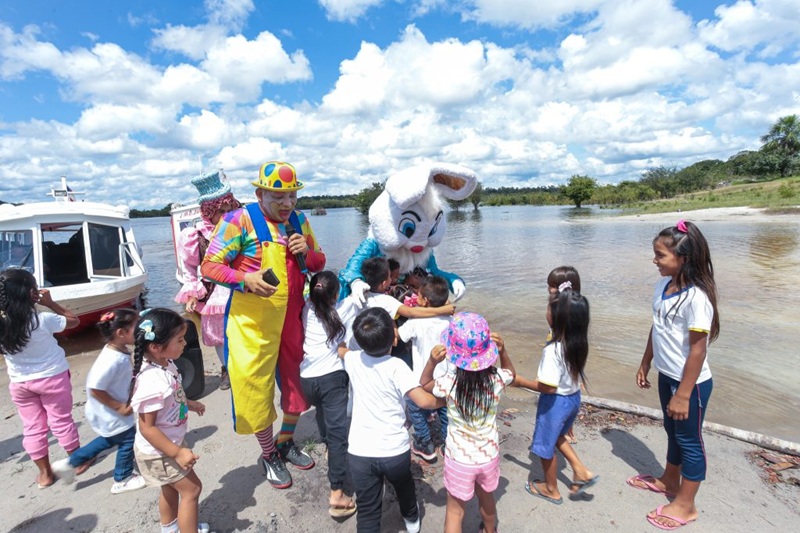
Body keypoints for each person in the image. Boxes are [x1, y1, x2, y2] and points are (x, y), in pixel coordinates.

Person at [201, 161, 325, 489]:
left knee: (297, 383)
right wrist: (245, 279)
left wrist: (307, 252)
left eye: (292, 196)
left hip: (293, 319)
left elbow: (319, 260)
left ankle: (285, 441)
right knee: (254, 389)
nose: (287, 204)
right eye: (278, 196)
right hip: (251, 323)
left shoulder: (300, 220)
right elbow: (209, 267)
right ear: (259, 194)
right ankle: (269, 454)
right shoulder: (237, 220)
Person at [630, 220, 719, 530]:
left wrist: (683, 394)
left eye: (660, 255)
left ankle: (686, 504)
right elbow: (658, 327)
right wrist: (645, 362)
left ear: (683, 258)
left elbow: (697, 350)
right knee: (672, 431)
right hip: (667, 375)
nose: (654, 260)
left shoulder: (697, 298)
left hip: (690, 385)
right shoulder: (663, 286)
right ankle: (670, 480)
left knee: (689, 440)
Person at [340, 307, 443, 533]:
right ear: (393, 339)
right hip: (394, 450)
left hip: (360, 451)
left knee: (367, 509)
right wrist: (446, 401)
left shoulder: (353, 359)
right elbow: (424, 401)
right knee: (404, 486)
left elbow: (341, 349)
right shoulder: (397, 366)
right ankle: (412, 521)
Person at [421, 312, 515, 533]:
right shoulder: (496, 379)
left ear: (452, 352)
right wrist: (503, 351)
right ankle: (490, 530)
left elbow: (424, 384)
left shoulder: (449, 383)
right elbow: (511, 373)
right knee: (487, 498)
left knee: (455, 511)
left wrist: (432, 362)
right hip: (488, 455)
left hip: (459, 458)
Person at [0, 268, 86, 489]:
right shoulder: (42, 320)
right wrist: (50, 303)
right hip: (52, 377)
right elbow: (73, 321)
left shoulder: (3, 326)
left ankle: (45, 474)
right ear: (32, 294)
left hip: (20, 383)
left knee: (32, 428)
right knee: (61, 420)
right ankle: (77, 462)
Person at [515, 286, 598, 505]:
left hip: (555, 403)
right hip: (573, 398)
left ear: (557, 318)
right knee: (559, 435)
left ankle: (551, 489)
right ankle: (581, 471)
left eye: (548, 309)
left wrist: (519, 381)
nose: (546, 312)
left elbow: (548, 387)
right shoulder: (578, 342)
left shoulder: (552, 351)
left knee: (545, 447)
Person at [128, 308, 209, 533]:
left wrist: (188, 403)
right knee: (192, 490)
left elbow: (171, 395)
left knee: (170, 488)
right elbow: (147, 428)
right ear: (155, 347)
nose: (185, 343)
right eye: (180, 340)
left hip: (168, 444)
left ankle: (170, 528)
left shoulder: (165, 363)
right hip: (160, 451)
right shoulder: (151, 381)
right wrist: (177, 453)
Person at [51, 309, 147, 494]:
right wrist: (119, 407)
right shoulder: (112, 360)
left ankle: (69, 463)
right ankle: (122, 478)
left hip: (108, 409)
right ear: (121, 332)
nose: (142, 329)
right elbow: (95, 387)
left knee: (108, 440)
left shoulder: (118, 349)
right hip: (110, 410)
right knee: (128, 439)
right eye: (138, 326)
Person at [174, 170, 241, 390]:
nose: (226, 214)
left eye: (229, 209)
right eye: (221, 211)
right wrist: (192, 294)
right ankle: (226, 368)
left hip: (240, 286)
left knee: (241, 330)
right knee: (219, 335)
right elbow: (189, 268)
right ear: (209, 212)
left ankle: (242, 366)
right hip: (215, 292)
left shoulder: (241, 228)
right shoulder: (196, 235)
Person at [300, 271, 359, 519]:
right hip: (331, 380)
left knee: (322, 412)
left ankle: (327, 446)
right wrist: (357, 284)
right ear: (336, 295)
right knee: (339, 437)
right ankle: (337, 494)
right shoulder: (345, 308)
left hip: (307, 379)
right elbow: (361, 291)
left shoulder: (306, 309)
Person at [398, 275, 453, 462]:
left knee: (415, 407)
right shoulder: (452, 321)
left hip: (423, 378)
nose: (416, 298)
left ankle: (424, 443)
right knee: (445, 408)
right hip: (447, 378)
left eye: (419, 296)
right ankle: (447, 443)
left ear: (426, 301)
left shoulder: (416, 322)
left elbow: (399, 336)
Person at [546, 266, 582, 444]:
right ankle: (566, 427)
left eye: (553, 286)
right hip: (559, 353)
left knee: (561, 394)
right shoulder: (557, 307)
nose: (549, 289)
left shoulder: (568, 313)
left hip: (564, 357)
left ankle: (564, 430)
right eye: (548, 285)